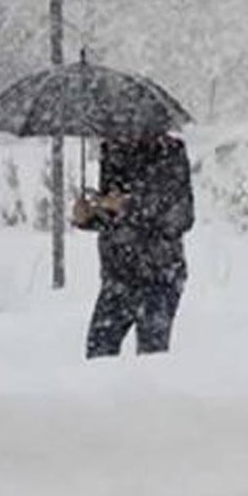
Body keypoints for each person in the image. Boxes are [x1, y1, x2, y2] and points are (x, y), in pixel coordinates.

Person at [73, 133, 194, 357]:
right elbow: (112, 218)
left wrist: (128, 205)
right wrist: (88, 216)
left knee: (151, 355)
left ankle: (148, 392)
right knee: (98, 351)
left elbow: (181, 217)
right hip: (118, 274)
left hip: (160, 273)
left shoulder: (170, 152)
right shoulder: (112, 150)